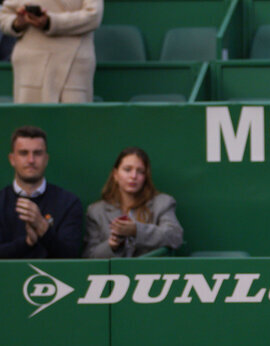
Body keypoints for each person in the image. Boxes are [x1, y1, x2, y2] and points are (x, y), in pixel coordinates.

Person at [83, 147, 183, 258]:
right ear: (115, 174)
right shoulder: (96, 211)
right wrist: (111, 245)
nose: (133, 176)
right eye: (127, 169)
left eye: (140, 171)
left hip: (150, 273)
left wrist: (137, 230)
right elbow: (88, 256)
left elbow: (175, 236)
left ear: (146, 177)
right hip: (114, 274)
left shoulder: (162, 203)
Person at [0, 126, 82, 259]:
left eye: (37, 153)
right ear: (12, 159)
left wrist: (42, 227)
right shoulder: (2, 202)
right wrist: (27, 242)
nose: (31, 160)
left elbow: (70, 256)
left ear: (46, 159)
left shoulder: (68, 203)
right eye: (23, 153)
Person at [0, 0, 103, 103]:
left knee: (72, 116)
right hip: (30, 65)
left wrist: (50, 21)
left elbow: (93, 16)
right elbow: (4, 15)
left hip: (73, 64)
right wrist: (18, 22)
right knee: (30, 116)